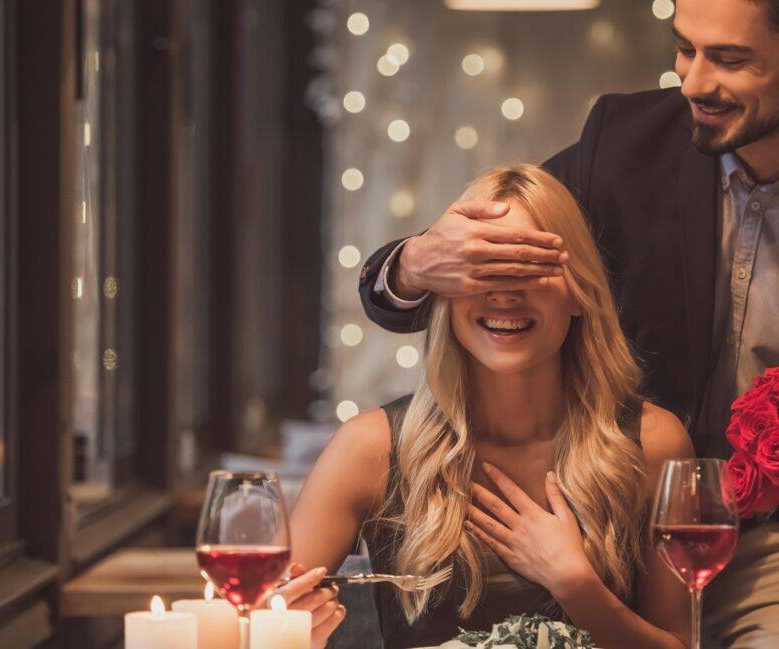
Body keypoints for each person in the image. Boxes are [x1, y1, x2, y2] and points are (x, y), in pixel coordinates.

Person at [355, 1, 779, 647]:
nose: (694, 82)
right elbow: (502, 265)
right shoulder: (620, 142)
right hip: (612, 528)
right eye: (685, 49)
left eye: (729, 59)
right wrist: (411, 266)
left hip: (777, 553)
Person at [287, 165, 695, 648]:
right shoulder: (368, 447)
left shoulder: (655, 442)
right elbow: (265, 622)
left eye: (531, 267)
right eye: (483, 269)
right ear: (444, 290)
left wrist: (577, 587)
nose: (505, 292)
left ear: (581, 294)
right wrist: (290, 630)